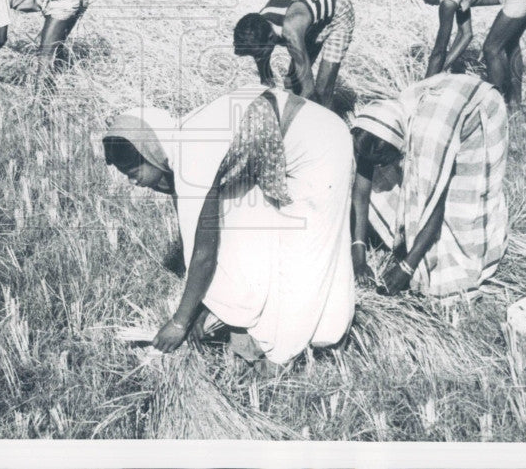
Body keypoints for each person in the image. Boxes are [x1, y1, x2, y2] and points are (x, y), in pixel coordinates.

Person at [102, 84, 355, 366]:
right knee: (260, 239)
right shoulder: (179, 141)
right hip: (303, 137)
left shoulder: (192, 158)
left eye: (133, 172)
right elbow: (207, 234)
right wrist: (203, 304)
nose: (132, 182)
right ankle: (263, 324)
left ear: (150, 152)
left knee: (308, 251)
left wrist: (179, 322)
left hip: (322, 148)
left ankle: (304, 346)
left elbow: (203, 255)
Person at [349, 73, 508, 298]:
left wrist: (406, 267)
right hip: (444, 101)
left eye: (383, 160)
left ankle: (481, 255)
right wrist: (358, 255)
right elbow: (361, 190)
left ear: (396, 145)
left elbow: (434, 203)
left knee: (464, 199)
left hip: (480, 106)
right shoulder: (379, 121)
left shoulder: (428, 138)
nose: (381, 167)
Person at [407, 0, 526, 110]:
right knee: (510, 43)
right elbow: (465, 34)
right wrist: (443, 68)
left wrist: (423, 89)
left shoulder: (448, 0)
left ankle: (494, 109)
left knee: (491, 49)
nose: (426, 2)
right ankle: (514, 104)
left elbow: (439, 50)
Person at [232, 0, 354, 108]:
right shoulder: (258, 31)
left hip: (337, 12)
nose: (258, 59)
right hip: (309, 18)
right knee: (292, 84)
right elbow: (267, 83)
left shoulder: (291, 32)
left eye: (259, 54)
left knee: (322, 90)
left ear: (270, 37)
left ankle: (329, 124)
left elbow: (308, 89)